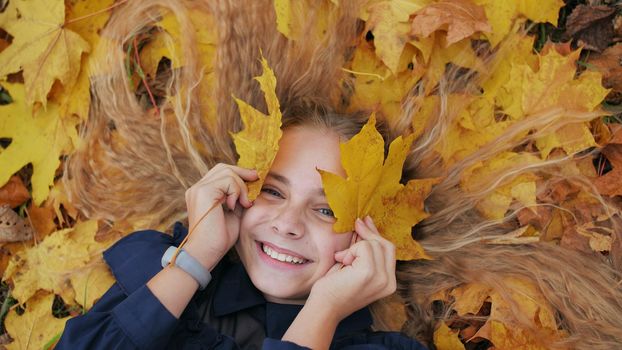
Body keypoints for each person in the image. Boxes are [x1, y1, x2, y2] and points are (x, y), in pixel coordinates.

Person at [56, 112, 428, 349]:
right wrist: (196, 257)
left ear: (371, 237)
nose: (286, 223)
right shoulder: (164, 274)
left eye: (327, 209)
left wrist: (324, 310)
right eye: (273, 191)